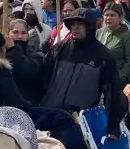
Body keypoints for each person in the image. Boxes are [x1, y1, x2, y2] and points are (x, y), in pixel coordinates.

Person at [40, 8, 125, 137]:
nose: (75, 28)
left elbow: (112, 93)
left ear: (90, 26)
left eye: (80, 24)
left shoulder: (103, 56)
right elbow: (43, 76)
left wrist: (112, 127)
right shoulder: (60, 48)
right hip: (50, 114)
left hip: (78, 122)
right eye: (72, 24)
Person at [5, 18, 45, 105]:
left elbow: (26, 71)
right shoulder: (0, 53)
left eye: (23, 33)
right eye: (15, 32)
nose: (20, 36)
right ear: (8, 34)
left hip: (27, 104)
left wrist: (13, 49)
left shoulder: (36, 54)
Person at [96, 3, 130, 89]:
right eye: (106, 15)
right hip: (99, 80)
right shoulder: (99, 33)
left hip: (119, 83)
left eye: (112, 15)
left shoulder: (127, 36)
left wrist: (118, 77)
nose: (108, 18)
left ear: (120, 17)